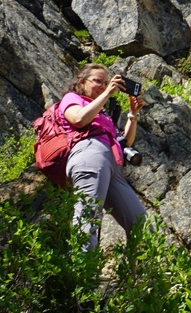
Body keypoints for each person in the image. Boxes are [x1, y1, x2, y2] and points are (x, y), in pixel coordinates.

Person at [60, 63, 146, 250]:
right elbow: (78, 119)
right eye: (98, 81)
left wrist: (132, 114)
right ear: (82, 82)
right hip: (89, 155)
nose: (103, 85)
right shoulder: (72, 99)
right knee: (88, 217)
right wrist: (107, 93)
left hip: (112, 165)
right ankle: (83, 276)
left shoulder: (102, 113)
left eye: (106, 82)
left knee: (140, 222)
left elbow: (126, 142)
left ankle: (135, 275)